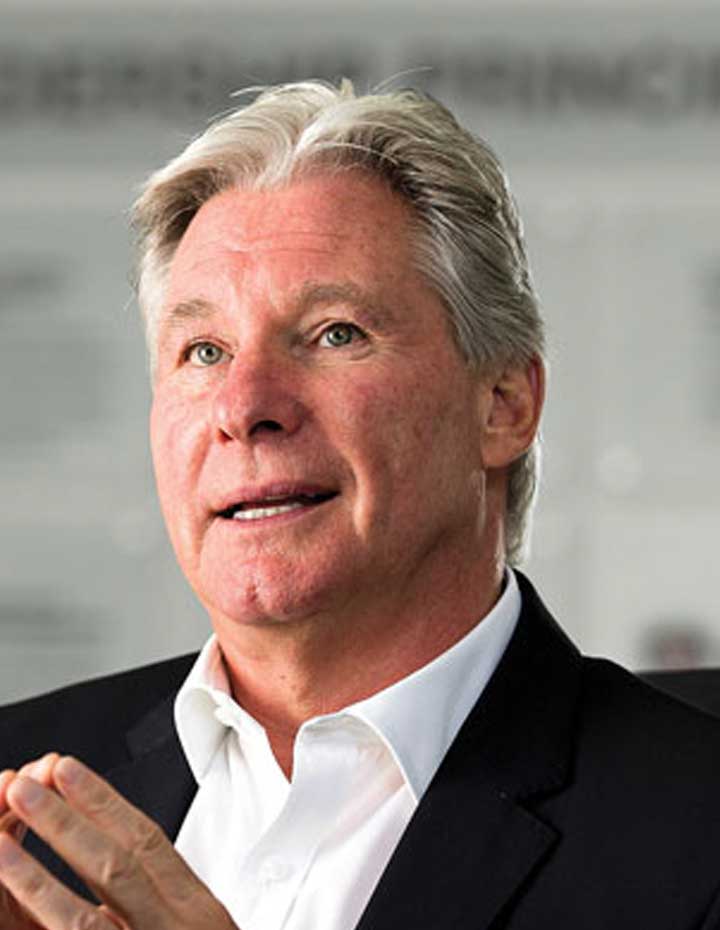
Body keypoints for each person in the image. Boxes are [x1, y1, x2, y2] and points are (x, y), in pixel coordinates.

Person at [0, 79, 719, 930]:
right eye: (203, 351)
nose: (244, 406)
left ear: (503, 404)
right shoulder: (21, 777)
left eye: (335, 333)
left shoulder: (695, 826)